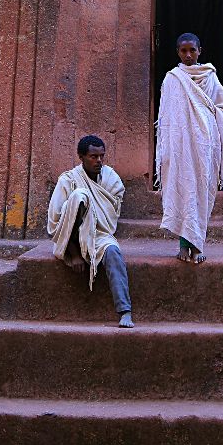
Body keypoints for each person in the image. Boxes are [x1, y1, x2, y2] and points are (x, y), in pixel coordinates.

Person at [155, 32, 223, 263]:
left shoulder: (210, 76)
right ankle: (183, 244)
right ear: (177, 52)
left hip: (204, 144)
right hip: (179, 145)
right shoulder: (172, 78)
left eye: (192, 50)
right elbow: (165, 115)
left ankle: (197, 243)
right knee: (183, 188)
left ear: (200, 51)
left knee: (200, 190)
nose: (188, 55)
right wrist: (167, 147)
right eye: (183, 51)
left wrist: (208, 117)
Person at [46, 134, 133, 327]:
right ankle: (75, 249)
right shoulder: (68, 180)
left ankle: (125, 311)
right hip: (71, 237)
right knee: (79, 195)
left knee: (113, 253)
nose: (99, 161)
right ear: (81, 157)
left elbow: (110, 213)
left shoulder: (110, 178)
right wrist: (74, 254)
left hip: (99, 235)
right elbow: (55, 222)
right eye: (93, 157)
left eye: (102, 156)